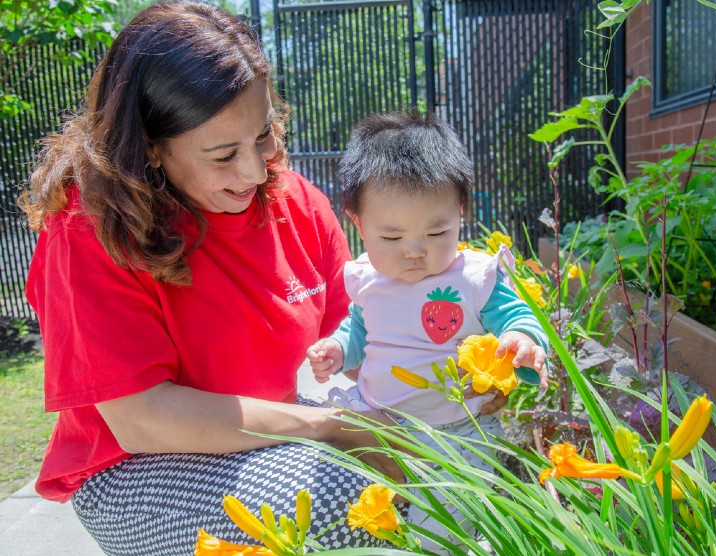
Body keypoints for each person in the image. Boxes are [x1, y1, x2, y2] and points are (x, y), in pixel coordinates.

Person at [19, 2, 405, 554]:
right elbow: (144, 420)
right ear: (150, 147)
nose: (254, 171)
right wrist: (333, 426)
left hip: (264, 435)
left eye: (262, 135)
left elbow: (368, 332)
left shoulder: (294, 199)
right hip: (132, 469)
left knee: (436, 463)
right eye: (224, 155)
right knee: (342, 499)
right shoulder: (88, 226)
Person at [306, 110, 549, 548]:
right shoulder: (366, 279)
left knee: (446, 526)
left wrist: (524, 341)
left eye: (438, 232)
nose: (414, 253)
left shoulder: (475, 278)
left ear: (461, 212)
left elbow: (517, 316)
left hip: (456, 429)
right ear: (357, 223)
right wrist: (338, 350)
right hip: (376, 420)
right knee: (357, 507)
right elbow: (358, 332)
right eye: (392, 239)